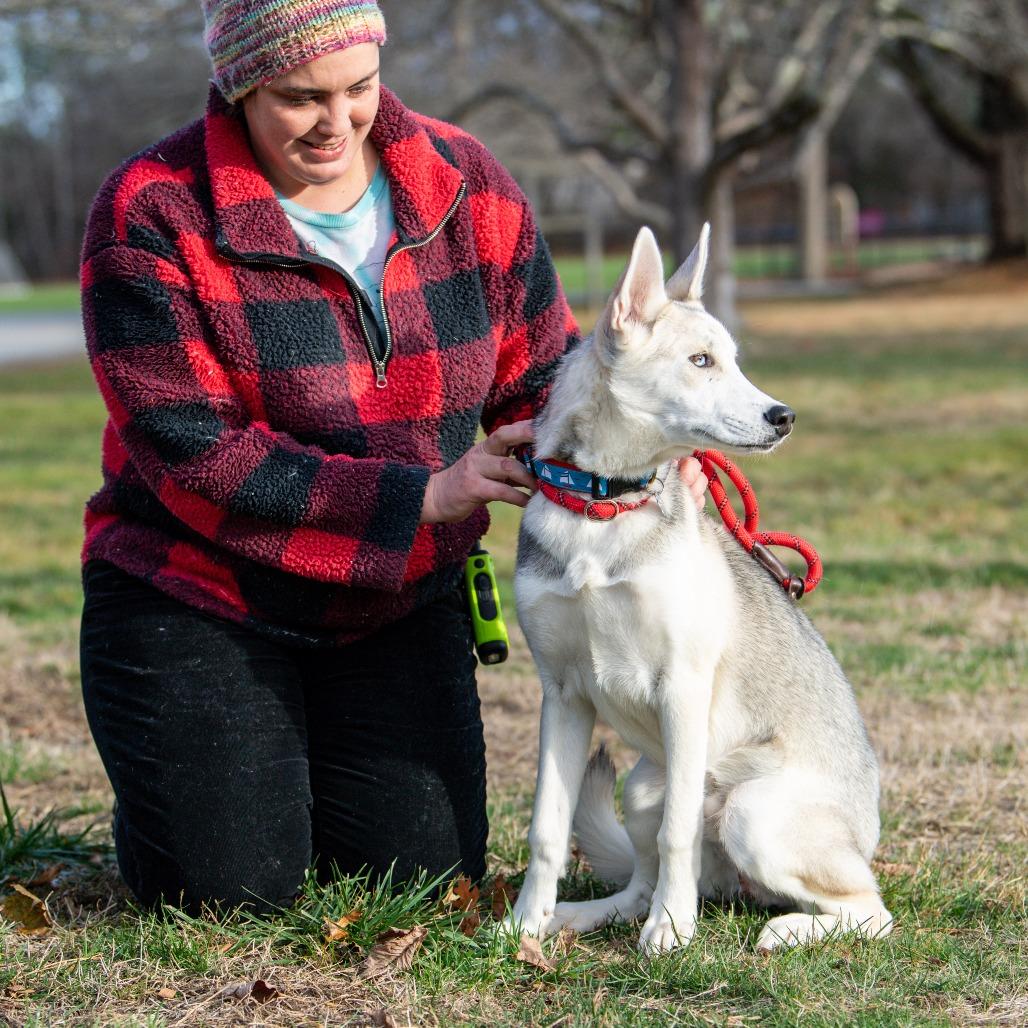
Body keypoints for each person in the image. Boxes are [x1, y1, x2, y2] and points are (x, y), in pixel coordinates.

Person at [78, 0, 708, 915]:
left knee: (413, 881)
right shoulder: (152, 209)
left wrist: (644, 450)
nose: (338, 123)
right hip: (199, 594)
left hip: (396, 599)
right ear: (239, 83)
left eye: (359, 88)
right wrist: (424, 493)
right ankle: (178, 785)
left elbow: (543, 379)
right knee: (230, 890)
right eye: (300, 97)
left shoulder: (465, 182)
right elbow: (196, 451)